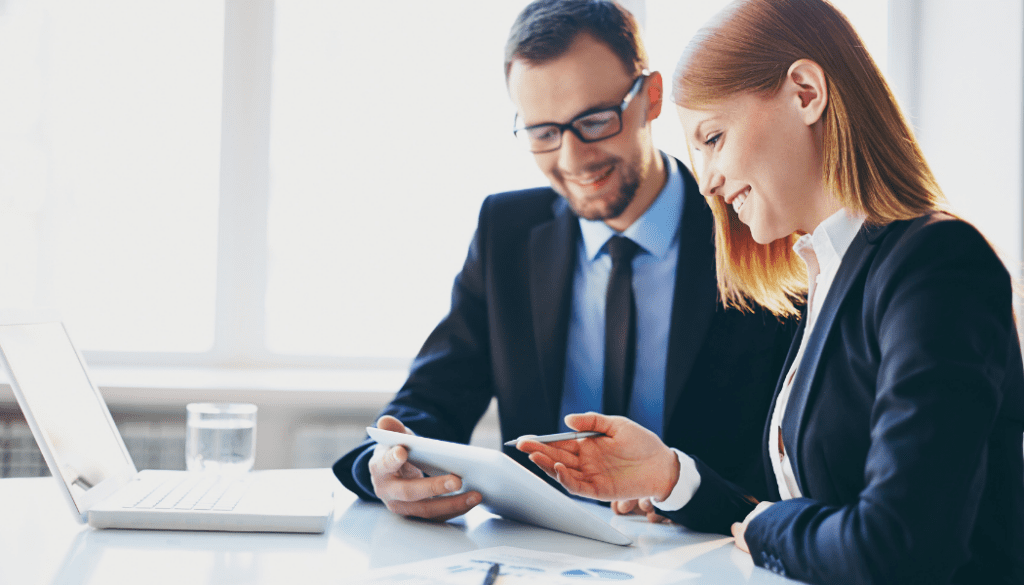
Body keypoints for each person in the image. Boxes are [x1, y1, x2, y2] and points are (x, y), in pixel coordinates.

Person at [518, 0, 1024, 583]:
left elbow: (897, 543)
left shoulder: (937, 265)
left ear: (806, 93)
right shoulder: (825, 272)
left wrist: (766, 528)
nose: (704, 178)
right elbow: (802, 519)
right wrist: (670, 477)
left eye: (713, 137)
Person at [332, 0, 795, 524]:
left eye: (595, 121)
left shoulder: (751, 222)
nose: (574, 160)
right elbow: (433, 397)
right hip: (545, 549)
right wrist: (387, 463)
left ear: (652, 97)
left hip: (708, 547)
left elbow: (792, 457)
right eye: (544, 134)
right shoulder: (506, 231)